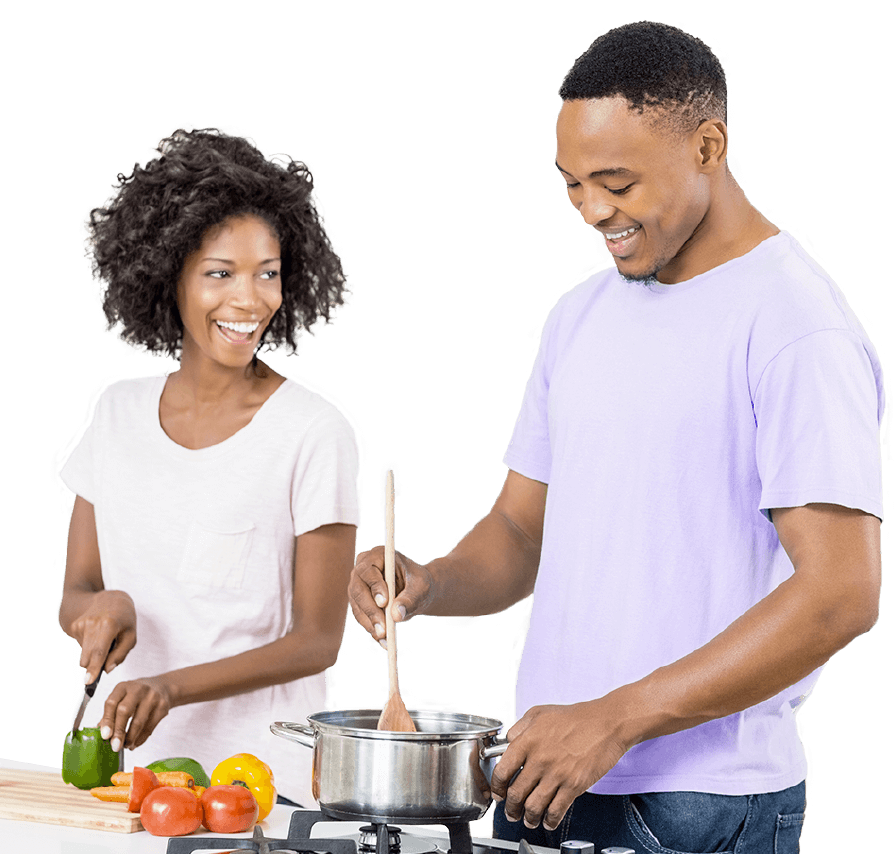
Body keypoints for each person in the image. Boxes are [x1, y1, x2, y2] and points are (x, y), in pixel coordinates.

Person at [347, 21, 882, 852]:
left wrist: (615, 719)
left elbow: (840, 594)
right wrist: (429, 583)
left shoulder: (793, 324)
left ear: (709, 145)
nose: (594, 212)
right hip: (543, 778)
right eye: (571, 185)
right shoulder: (581, 314)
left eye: (618, 182)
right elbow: (524, 531)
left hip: (696, 807)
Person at [54, 124, 361, 807]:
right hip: (129, 781)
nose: (248, 301)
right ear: (170, 277)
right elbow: (75, 591)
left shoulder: (313, 432)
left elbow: (314, 641)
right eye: (219, 273)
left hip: (263, 790)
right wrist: (97, 611)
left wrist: (170, 686)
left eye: (267, 273)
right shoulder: (117, 413)